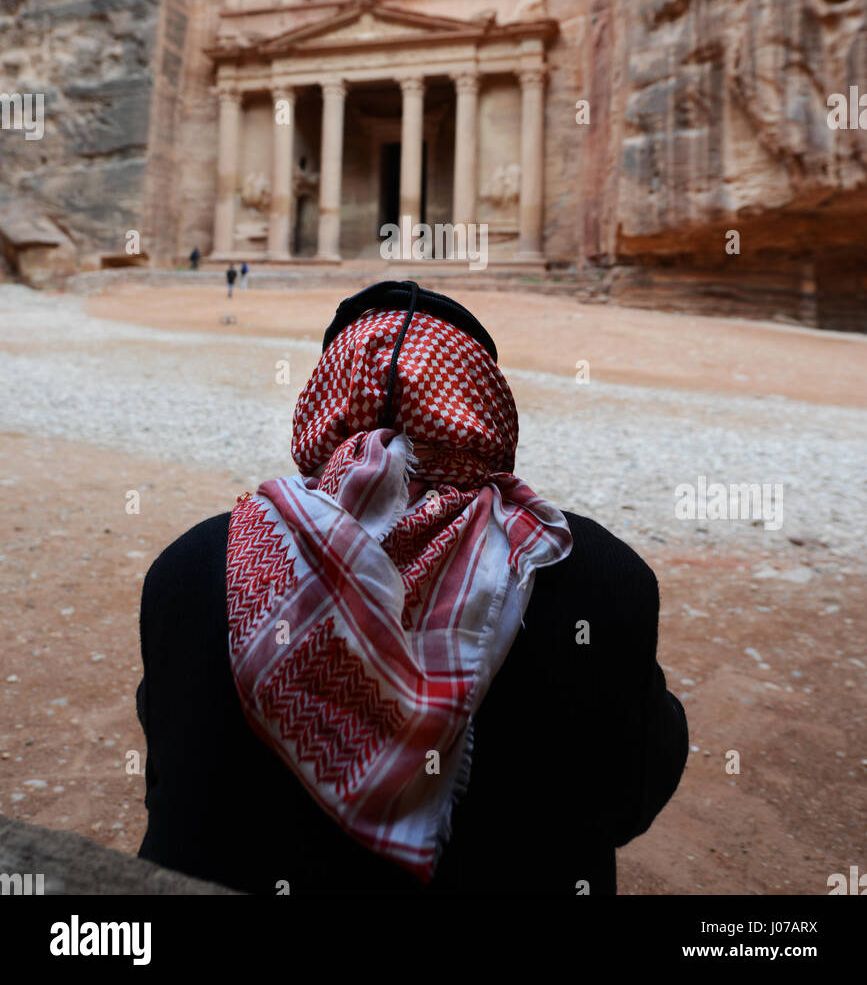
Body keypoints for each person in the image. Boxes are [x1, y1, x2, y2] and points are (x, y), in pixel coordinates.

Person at [135, 280, 688, 895]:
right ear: (483, 408)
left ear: (324, 402)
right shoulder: (601, 574)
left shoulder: (192, 564)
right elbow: (632, 794)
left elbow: (169, 768)